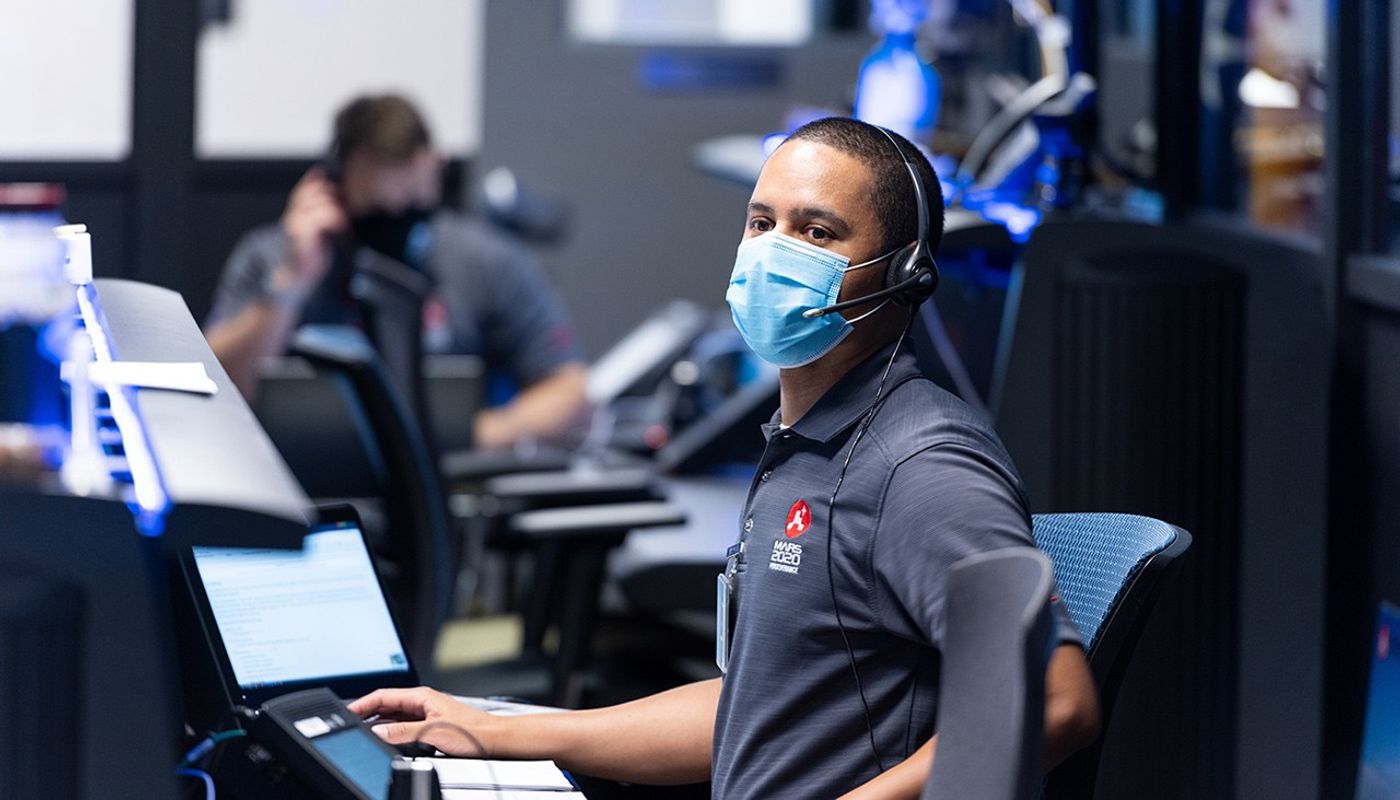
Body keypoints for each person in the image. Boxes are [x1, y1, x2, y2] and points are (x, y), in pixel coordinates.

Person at [349, 117, 1100, 798]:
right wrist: (497, 730)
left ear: (903, 273)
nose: (774, 251)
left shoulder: (921, 464)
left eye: (816, 232)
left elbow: (1057, 704)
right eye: (762, 223)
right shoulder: (804, 446)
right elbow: (749, 709)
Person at [204, 95, 587, 449]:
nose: (394, 225)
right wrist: (291, 283)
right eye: (375, 214)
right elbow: (216, 386)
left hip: (447, 480)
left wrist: (471, 437)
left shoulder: (486, 261)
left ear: (435, 168)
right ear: (334, 183)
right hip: (300, 478)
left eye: (410, 208)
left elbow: (569, 391)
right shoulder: (275, 256)